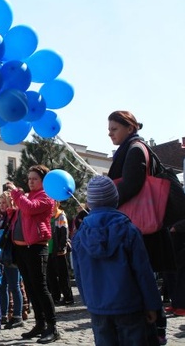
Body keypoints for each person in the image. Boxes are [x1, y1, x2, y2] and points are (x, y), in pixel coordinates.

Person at [107, 110, 174, 344]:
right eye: (109, 129)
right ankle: (153, 328)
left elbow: (133, 184)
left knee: (142, 278)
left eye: (114, 129)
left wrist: (106, 199)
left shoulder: (135, 149)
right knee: (143, 278)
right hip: (140, 226)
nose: (110, 134)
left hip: (141, 226)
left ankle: (155, 329)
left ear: (130, 128)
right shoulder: (132, 148)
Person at [72, 176, 162, 345]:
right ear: (115, 199)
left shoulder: (79, 235)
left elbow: (78, 273)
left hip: (98, 306)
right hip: (129, 304)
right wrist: (152, 304)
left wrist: (89, 301)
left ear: (90, 203)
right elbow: (143, 271)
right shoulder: (129, 229)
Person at [8, 164, 59, 344]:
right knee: (30, 288)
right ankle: (40, 324)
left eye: (34, 179)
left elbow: (30, 209)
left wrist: (16, 194)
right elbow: (22, 215)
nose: (30, 181)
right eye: (29, 178)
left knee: (41, 288)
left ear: (43, 181)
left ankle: (53, 328)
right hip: (22, 249)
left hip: (36, 247)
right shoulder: (28, 196)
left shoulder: (46, 196)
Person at [0, 192, 24, 328]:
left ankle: (17, 315)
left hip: (12, 255)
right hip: (2, 255)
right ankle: (3, 315)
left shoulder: (13, 215)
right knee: (2, 286)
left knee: (14, 286)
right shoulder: (1, 218)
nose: (2, 205)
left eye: (4, 203)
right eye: (0, 203)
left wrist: (11, 200)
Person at [47, 201, 74, 306]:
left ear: (57, 204)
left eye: (53, 203)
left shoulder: (61, 216)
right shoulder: (48, 216)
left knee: (63, 275)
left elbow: (64, 232)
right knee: (51, 275)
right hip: (48, 250)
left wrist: (61, 247)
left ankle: (68, 297)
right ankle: (55, 297)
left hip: (59, 250)